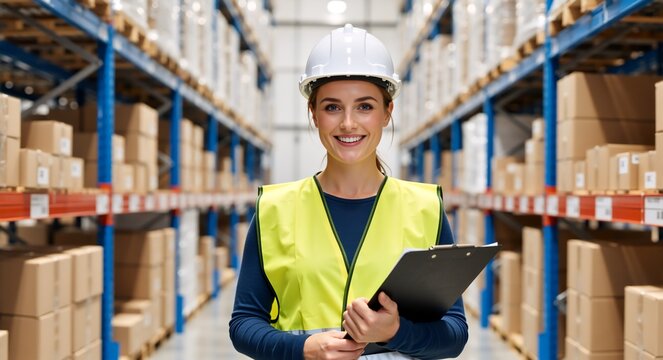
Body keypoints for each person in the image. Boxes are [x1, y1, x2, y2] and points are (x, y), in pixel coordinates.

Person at [230, 24, 468, 359]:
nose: (348, 124)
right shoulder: (276, 209)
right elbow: (243, 324)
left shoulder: (424, 208)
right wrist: (304, 348)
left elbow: (454, 334)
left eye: (365, 106)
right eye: (332, 107)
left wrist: (397, 332)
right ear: (313, 113)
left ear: (388, 113)